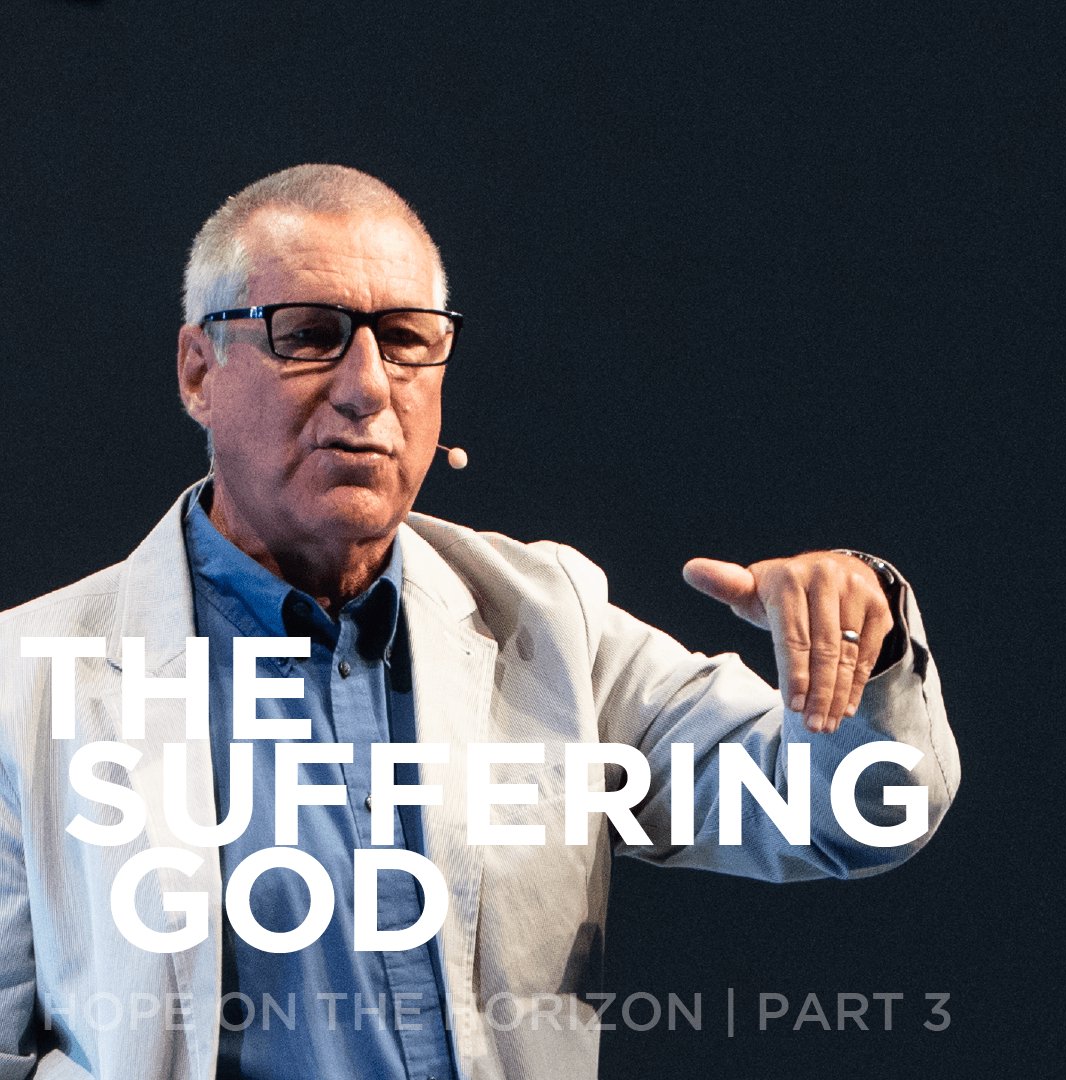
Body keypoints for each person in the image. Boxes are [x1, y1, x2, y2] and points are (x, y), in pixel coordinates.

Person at [0, 164, 960, 1080]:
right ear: (198, 371)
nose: (369, 386)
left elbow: (858, 814)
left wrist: (864, 642)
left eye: (406, 339)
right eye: (309, 334)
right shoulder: (24, 683)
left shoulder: (551, 623)